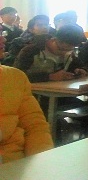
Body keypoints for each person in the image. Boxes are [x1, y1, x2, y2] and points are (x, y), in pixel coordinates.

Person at [0, 32, 54, 164]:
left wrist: (41, 163)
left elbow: (35, 126)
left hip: (16, 163)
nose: (3, 39)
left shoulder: (14, 77)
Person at [14, 25, 88, 83]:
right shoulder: (31, 50)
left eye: (69, 50)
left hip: (60, 92)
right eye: (62, 49)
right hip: (34, 93)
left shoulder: (69, 52)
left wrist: (82, 70)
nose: (64, 53)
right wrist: (50, 77)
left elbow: (82, 66)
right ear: (55, 40)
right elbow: (16, 76)